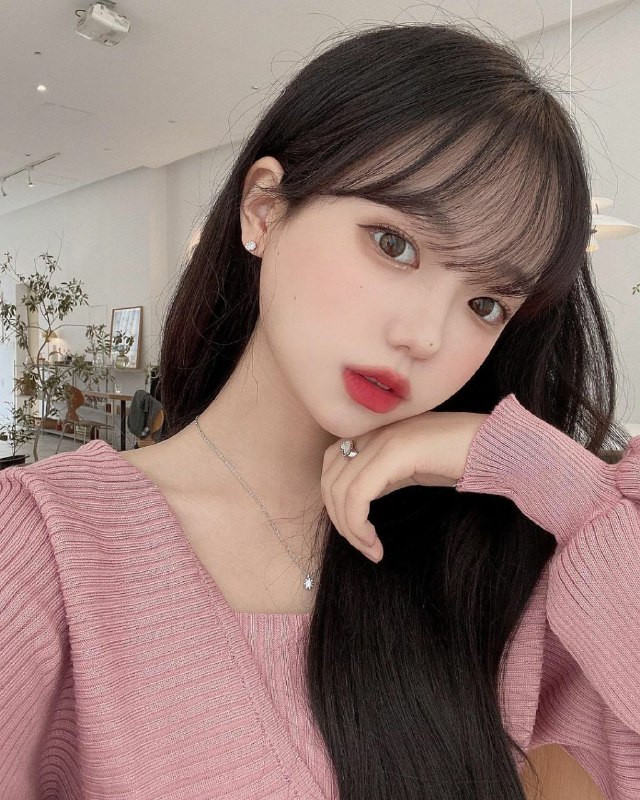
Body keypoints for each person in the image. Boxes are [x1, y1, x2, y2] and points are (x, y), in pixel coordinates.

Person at [0, 21, 638, 800]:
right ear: (264, 209)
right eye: (394, 244)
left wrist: (546, 474)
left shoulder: (493, 561)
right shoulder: (47, 548)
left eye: (485, 303)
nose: (424, 337)